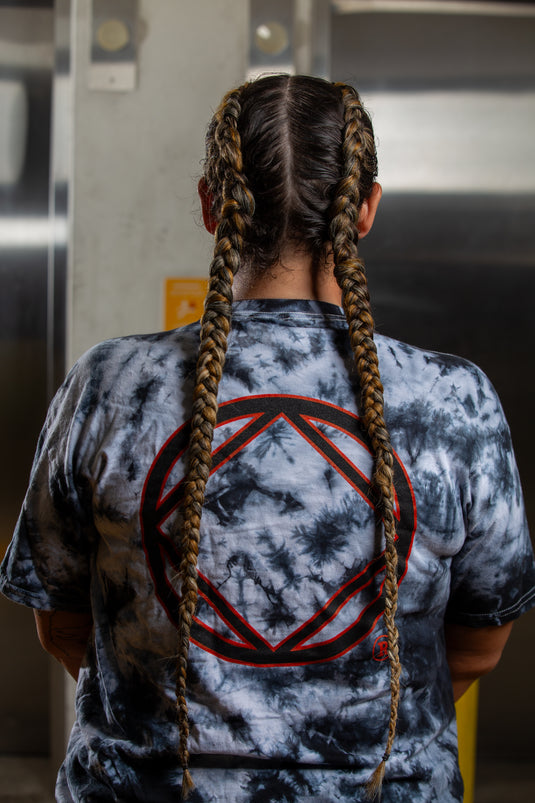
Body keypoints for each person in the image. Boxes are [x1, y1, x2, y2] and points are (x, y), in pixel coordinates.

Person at [1, 74, 534, 803]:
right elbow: (477, 643)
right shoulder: (455, 402)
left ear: (210, 205)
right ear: (367, 209)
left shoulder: (108, 384)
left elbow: (61, 625)